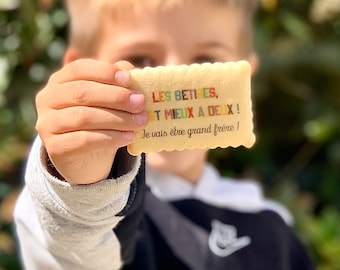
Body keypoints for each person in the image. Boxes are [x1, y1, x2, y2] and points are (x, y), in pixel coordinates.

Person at [14, 0, 315, 269]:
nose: (177, 78)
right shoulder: (96, 217)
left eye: (204, 60)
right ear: (81, 70)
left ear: (243, 77)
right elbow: (72, 249)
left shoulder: (272, 227)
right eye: (142, 60)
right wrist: (80, 181)